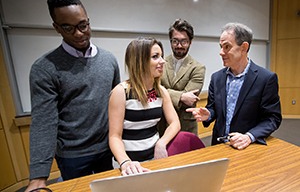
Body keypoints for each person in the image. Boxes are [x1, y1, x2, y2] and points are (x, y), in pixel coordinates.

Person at [25, 0, 120, 191]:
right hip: (73, 155)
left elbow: (117, 105)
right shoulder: (44, 68)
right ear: (56, 28)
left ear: (89, 22)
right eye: (68, 28)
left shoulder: (109, 60)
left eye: (82, 25)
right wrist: (39, 177)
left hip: (107, 148)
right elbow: (44, 121)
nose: (78, 33)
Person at [187, 22, 282, 150]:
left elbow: (272, 118)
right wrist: (208, 114)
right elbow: (213, 108)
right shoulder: (217, 78)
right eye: (221, 47)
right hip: (219, 146)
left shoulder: (265, 79)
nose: (221, 52)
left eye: (227, 47)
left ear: (244, 47)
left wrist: (249, 136)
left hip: (248, 147)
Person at [109, 37, 180, 176]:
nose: (162, 61)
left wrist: (161, 143)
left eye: (161, 56)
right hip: (128, 164)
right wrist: (125, 162)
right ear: (139, 61)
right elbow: (114, 136)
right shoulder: (121, 92)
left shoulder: (161, 91)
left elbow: (175, 123)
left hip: (154, 160)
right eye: (155, 57)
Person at [158, 19, 206, 136]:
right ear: (170, 41)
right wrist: (181, 96)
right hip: (161, 125)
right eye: (175, 41)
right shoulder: (160, 62)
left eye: (184, 41)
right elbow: (153, 91)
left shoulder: (198, 68)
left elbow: (189, 101)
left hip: (185, 127)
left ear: (190, 42)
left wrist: (162, 91)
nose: (179, 46)